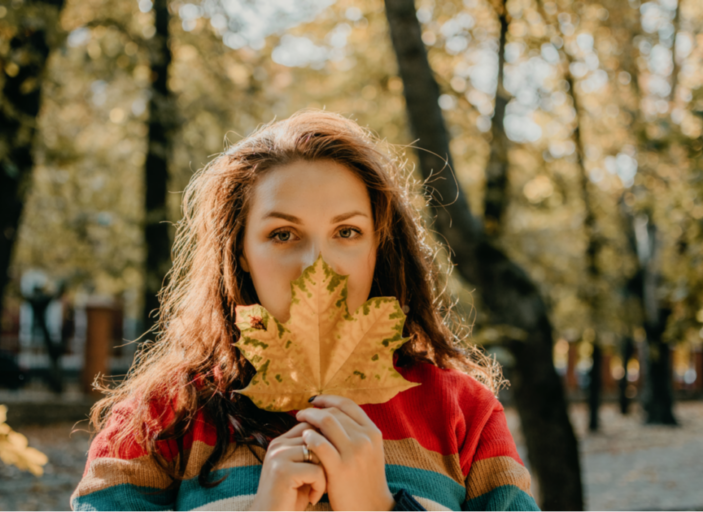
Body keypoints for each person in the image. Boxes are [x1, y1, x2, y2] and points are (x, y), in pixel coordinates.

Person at [71, 111, 539, 511]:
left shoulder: (463, 412)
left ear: (379, 247)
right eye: (282, 234)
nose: (318, 265)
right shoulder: (162, 416)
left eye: (347, 232)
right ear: (240, 254)